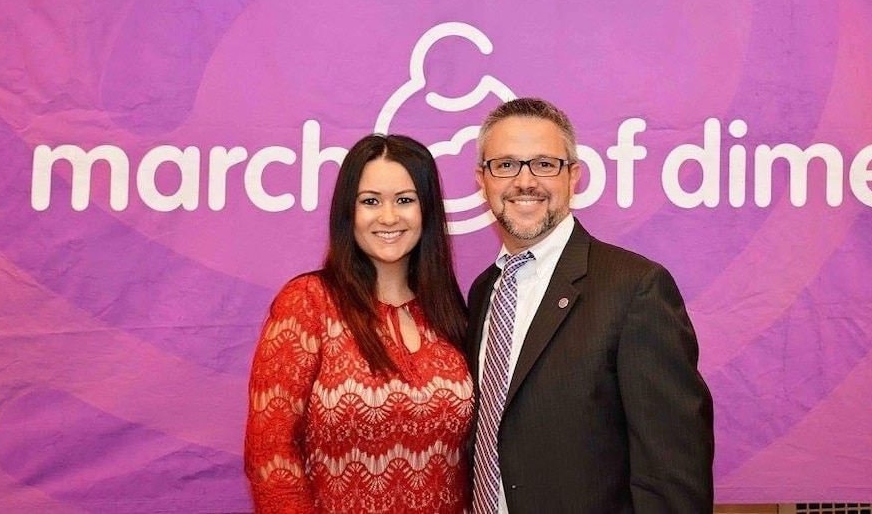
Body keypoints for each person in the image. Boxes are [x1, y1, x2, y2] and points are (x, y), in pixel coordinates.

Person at [467, 98, 715, 513]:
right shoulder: (482, 292)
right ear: (482, 179)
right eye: (505, 164)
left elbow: (673, 476)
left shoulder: (636, 288)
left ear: (573, 176)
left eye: (544, 164)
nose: (524, 181)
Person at [244, 134, 473, 513]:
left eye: (405, 200)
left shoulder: (450, 313)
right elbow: (270, 452)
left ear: (427, 211)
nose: (388, 217)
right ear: (347, 212)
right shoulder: (308, 303)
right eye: (370, 201)